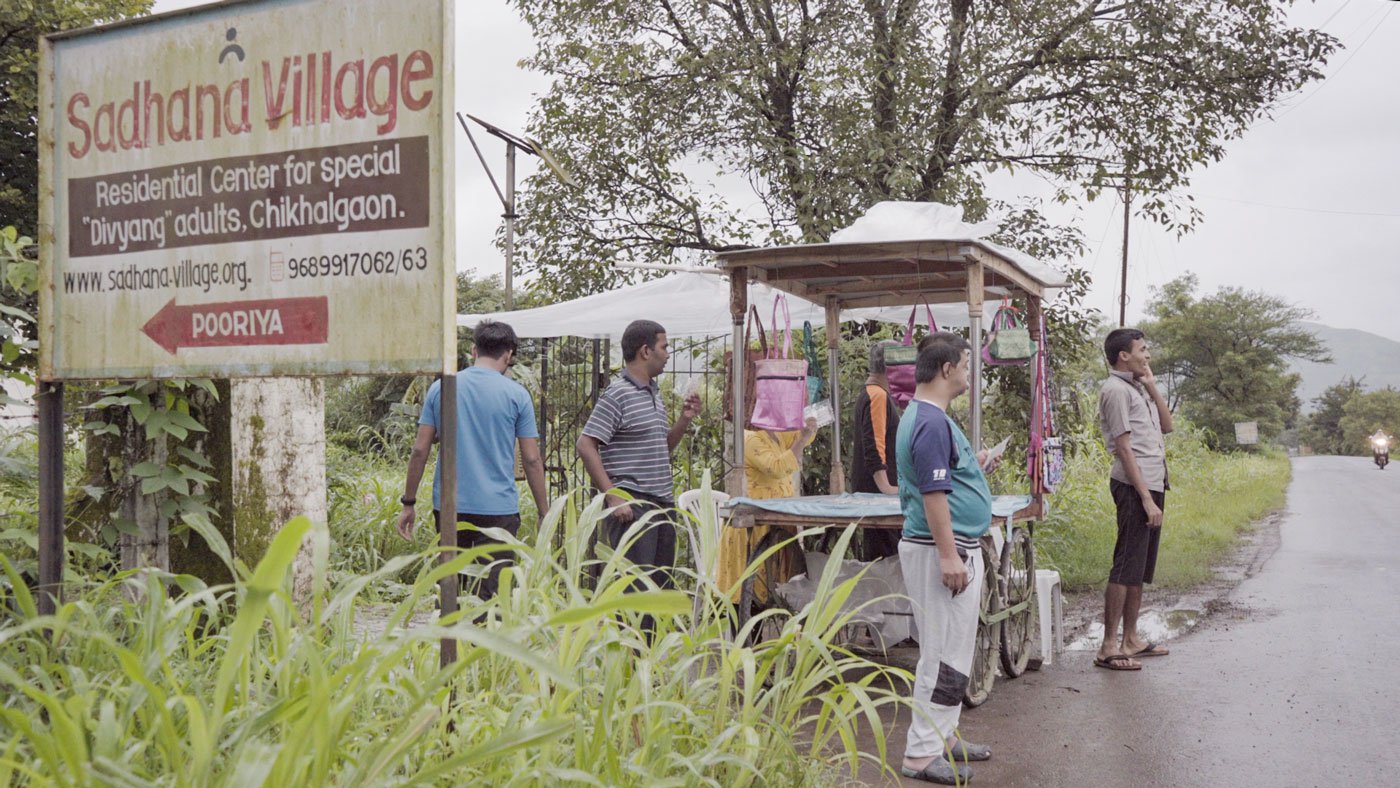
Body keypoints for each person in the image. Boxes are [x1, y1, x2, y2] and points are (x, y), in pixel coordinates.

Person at [895, 332, 998, 784]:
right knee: (939, 654)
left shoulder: (931, 417)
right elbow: (934, 495)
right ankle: (919, 755)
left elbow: (943, 477)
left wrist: (975, 465)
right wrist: (949, 555)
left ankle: (945, 735)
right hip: (943, 550)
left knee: (956, 648)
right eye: (967, 364)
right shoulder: (930, 421)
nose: (969, 373)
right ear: (946, 369)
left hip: (954, 547)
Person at [397, 320, 549, 603]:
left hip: (450, 507)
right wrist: (544, 512)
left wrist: (409, 502)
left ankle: (450, 646)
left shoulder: (442, 389)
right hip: (498, 510)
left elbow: (420, 450)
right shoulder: (517, 395)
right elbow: (531, 458)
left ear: (473, 350)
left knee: (451, 593)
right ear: (509, 355)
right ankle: (483, 645)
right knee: (492, 599)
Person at [577, 320, 701, 631]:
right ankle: (630, 666)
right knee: (635, 593)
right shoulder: (618, 394)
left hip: (661, 505)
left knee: (658, 590)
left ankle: (650, 669)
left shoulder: (652, 394)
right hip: (633, 508)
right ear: (645, 351)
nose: (668, 354)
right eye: (664, 346)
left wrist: (684, 421)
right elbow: (585, 443)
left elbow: (663, 447)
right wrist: (613, 495)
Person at [1095, 327, 1174, 671]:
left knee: (1139, 568)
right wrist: (1145, 498)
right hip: (1133, 487)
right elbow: (1124, 447)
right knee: (1126, 562)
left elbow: (1167, 426)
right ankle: (1108, 646)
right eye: (1142, 349)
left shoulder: (1137, 387)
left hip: (1153, 483)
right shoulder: (1114, 390)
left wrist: (1152, 383)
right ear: (1124, 355)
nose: (1147, 354)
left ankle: (1131, 639)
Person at [716, 419, 819, 601]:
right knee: (750, 590)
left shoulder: (776, 436)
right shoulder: (750, 439)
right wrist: (802, 439)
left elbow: (798, 436)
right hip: (754, 523)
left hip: (774, 521)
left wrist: (808, 423)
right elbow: (777, 467)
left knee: (774, 583)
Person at [853, 339, 902, 560]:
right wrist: (886, 486)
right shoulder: (877, 395)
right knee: (884, 554)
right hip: (877, 492)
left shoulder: (877, 394)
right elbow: (874, 443)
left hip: (877, 490)